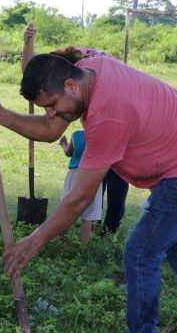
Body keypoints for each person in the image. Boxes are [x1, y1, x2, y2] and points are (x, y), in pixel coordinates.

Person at [0, 53, 177, 333]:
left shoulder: (109, 116)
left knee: (141, 253)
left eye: (52, 106)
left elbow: (80, 197)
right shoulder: (88, 69)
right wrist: (2, 115)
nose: (51, 114)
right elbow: (49, 131)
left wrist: (32, 243)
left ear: (70, 85)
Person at [21, 23, 129, 235]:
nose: (51, 111)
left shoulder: (86, 69)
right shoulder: (62, 71)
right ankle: (98, 220)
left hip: (116, 112)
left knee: (116, 172)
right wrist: (28, 43)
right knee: (99, 174)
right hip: (98, 113)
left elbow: (51, 130)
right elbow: (29, 72)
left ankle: (110, 226)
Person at [59, 130, 102, 243]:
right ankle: (83, 247)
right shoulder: (101, 135)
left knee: (67, 209)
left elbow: (68, 153)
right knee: (88, 215)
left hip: (75, 174)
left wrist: (63, 143)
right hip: (94, 175)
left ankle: (61, 241)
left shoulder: (76, 135)